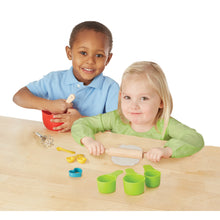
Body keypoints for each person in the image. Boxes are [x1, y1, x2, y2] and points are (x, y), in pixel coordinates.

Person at [71, 61, 204, 162]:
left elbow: (195, 139)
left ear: (161, 102)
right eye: (127, 97)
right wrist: (88, 140)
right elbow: (81, 124)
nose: (133, 106)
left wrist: (167, 150)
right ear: (120, 96)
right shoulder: (116, 118)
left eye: (143, 98)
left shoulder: (165, 124)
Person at [13, 21, 119, 132]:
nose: (90, 61)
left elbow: (117, 125)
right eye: (83, 53)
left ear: (108, 59)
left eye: (99, 55)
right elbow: (19, 97)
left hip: (93, 147)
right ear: (69, 53)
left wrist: (81, 120)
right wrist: (48, 105)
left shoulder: (111, 88)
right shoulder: (53, 80)